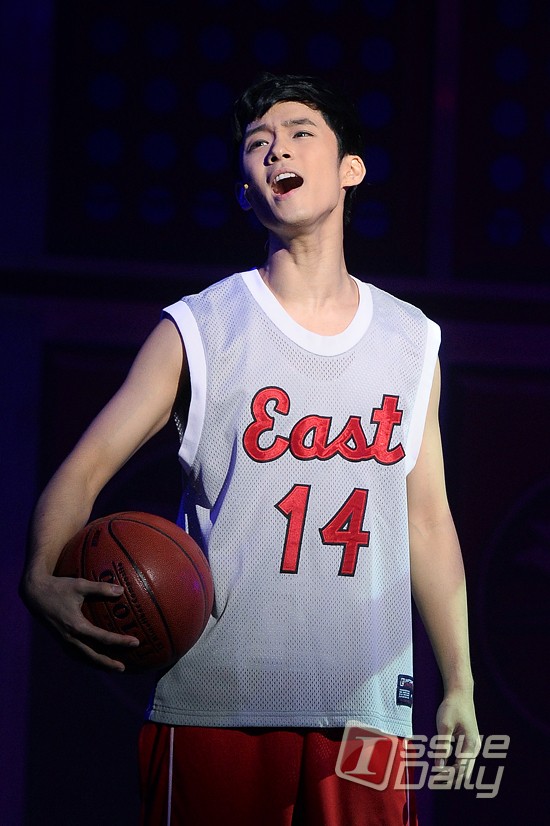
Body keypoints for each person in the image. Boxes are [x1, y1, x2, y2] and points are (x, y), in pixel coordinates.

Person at [22, 72, 479, 825]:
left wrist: (459, 681)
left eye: (299, 134)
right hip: (215, 701)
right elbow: (86, 468)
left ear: (350, 169)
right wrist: (39, 571)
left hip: (365, 712)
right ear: (245, 192)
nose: (276, 152)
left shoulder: (411, 339)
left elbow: (426, 521)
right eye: (257, 144)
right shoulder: (199, 328)